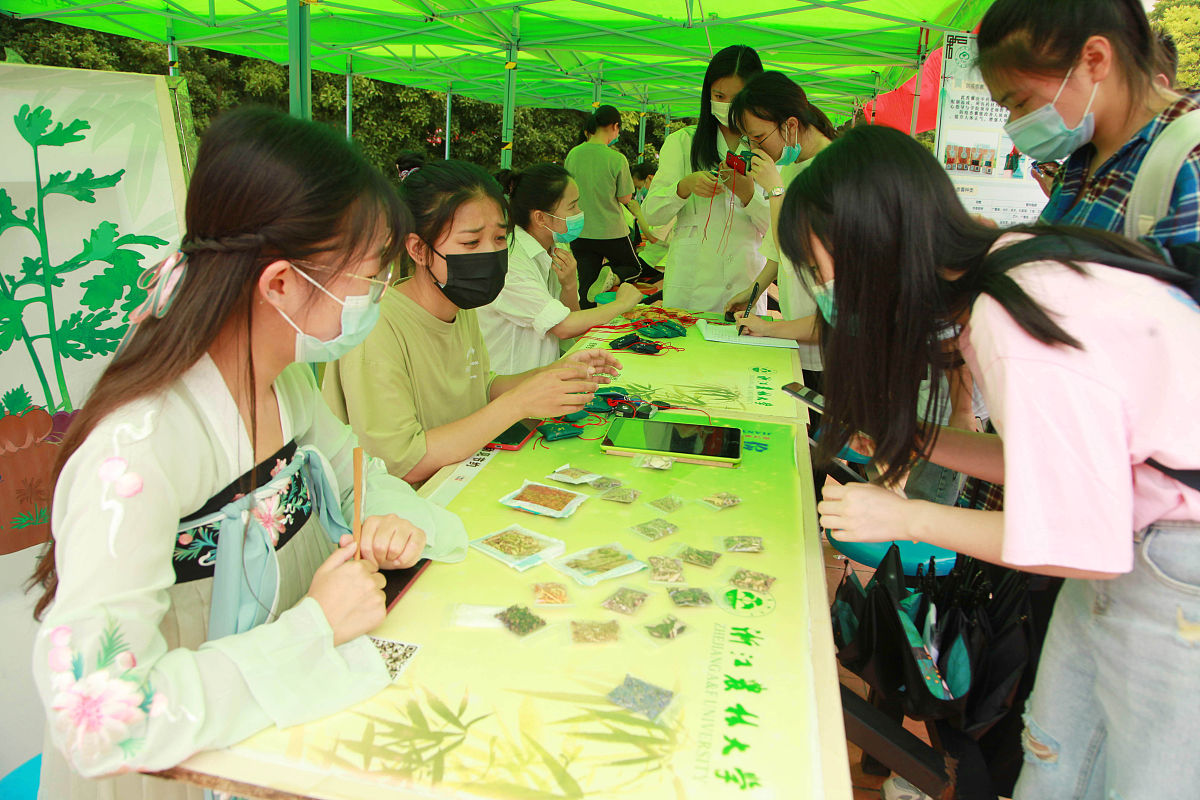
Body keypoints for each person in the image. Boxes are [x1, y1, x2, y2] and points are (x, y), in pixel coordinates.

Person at [27, 108, 470, 799]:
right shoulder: (138, 445)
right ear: (282, 284)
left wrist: (390, 521)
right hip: (180, 766)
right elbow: (100, 719)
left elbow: (360, 475)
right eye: (369, 275)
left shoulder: (288, 382)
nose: (380, 296)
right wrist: (315, 626)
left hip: (276, 731)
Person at [778, 124, 1200, 800]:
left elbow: (1075, 539)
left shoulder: (1010, 319)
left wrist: (909, 515)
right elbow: (1053, 467)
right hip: (1145, 544)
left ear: (875, 242)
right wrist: (919, 441)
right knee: (1055, 754)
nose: (826, 291)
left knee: (1141, 778)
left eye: (823, 269)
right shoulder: (1001, 275)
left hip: (1177, 564)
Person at [322, 154, 622, 485]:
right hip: (400, 517)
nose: (490, 254)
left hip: (459, 482)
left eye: (497, 239)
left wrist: (551, 375)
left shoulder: (459, 308)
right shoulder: (376, 328)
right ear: (419, 250)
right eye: (470, 242)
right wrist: (520, 403)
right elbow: (401, 462)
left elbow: (483, 387)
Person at [978, 0, 1200, 251]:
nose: (1014, 124)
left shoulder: (1190, 159)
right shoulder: (1082, 157)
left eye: (1021, 102)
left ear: (1095, 60)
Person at [477, 164, 645, 374]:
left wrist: (569, 285)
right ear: (541, 218)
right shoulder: (510, 261)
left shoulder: (555, 248)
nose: (580, 213)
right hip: (508, 383)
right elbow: (564, 327)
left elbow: (573, 324)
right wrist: (622, 304)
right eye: (572, 206)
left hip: (539, 379)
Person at [642, 45, 770, 313]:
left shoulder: (768, 147)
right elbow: (651, 215)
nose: (726, 106)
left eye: (736, 98)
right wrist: (683, 188)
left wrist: (748, 194)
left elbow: (780, 227)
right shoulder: (683, 142)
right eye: (719, 96)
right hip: (691, 283)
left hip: (744, 278)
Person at [725, 70, 836, 380]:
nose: (757, 148)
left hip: (829, 345)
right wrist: (754, 290)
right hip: (802, 333)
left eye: (760, 138)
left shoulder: (834, 170)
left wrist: (774, 191)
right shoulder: (791, 168)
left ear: (790, 125)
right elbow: (776, 251)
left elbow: (794, 251)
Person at [563, 105, 647, 307]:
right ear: (614, 126)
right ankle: (613, 276)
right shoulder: (616, 158)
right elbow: (626, 197)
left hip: (580, 231)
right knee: (634, 267)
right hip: (611, 230)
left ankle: (587, 329)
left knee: (587, 286)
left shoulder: (573, 154)